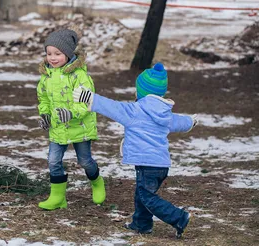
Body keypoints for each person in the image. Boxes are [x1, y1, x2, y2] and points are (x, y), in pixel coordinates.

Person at [72, 62, 197, 238]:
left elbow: (111, 107)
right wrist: (191, 122)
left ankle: (179, 217)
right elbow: (180, 122)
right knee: (142, 194)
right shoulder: (165, 114)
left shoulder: (135, 110)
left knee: (146, 196)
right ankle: (141, 224)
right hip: (160, 164)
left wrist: (89, 98)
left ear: (141, 91)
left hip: (146, 164)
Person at [36, 27, 106, 210]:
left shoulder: (79, 76)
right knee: (53, 161)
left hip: (80, 126)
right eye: (49, 53)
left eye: (57, 53)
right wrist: (45, 115)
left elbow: (86, 101)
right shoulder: (46, 76)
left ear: (67, 53)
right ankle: (58, 197)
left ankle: (97, 181)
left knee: (85, 161)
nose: (52, 58)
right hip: (58, 127)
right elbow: (43, 98)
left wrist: (72, 113)